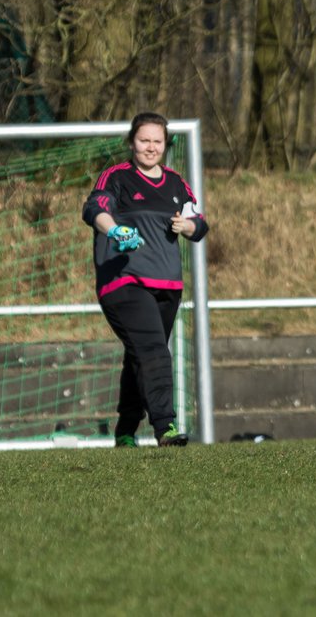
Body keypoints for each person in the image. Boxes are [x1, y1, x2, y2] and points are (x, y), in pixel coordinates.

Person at [82, 112, 209, 447]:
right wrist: (116, 229)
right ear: (131, 142)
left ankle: (125, 430)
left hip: (167, 286)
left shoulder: (176, 183)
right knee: (154, 350)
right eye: (144, 140)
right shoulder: (117, 177)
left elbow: (199, 224)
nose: (151, 147)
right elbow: (95, 209)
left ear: (165, 144)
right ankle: (165, 427)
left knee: (140, 355)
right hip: (123, 282)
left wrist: (189, 227)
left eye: (157, 141)